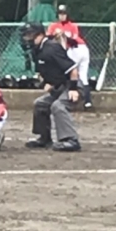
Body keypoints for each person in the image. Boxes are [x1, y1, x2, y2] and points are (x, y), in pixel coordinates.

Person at [21, 21, 81, 152]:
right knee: (40, 104)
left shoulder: (52, 47)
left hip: (72, 84)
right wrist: (47, 83)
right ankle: (45, 138)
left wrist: (73, 89)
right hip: (58, 86)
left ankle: (71, 140)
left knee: (58, 106)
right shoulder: (37, 51)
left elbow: (73, 69)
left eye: (30, 35)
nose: (27, 39)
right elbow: (45, 71)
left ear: (40, 35)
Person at [47, 4, 93, 110]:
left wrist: (63, 34)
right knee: (80, 76)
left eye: (64, 14)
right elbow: (48, 38)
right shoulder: (53, 26)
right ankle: (87, 102)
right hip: (74, 50)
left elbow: (74, 40)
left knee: (70, 72)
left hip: (78, 49)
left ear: (67, 15)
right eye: (60, 14)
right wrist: (56, 35)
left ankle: (70, 99)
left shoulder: (72, 26)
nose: (62, 16)